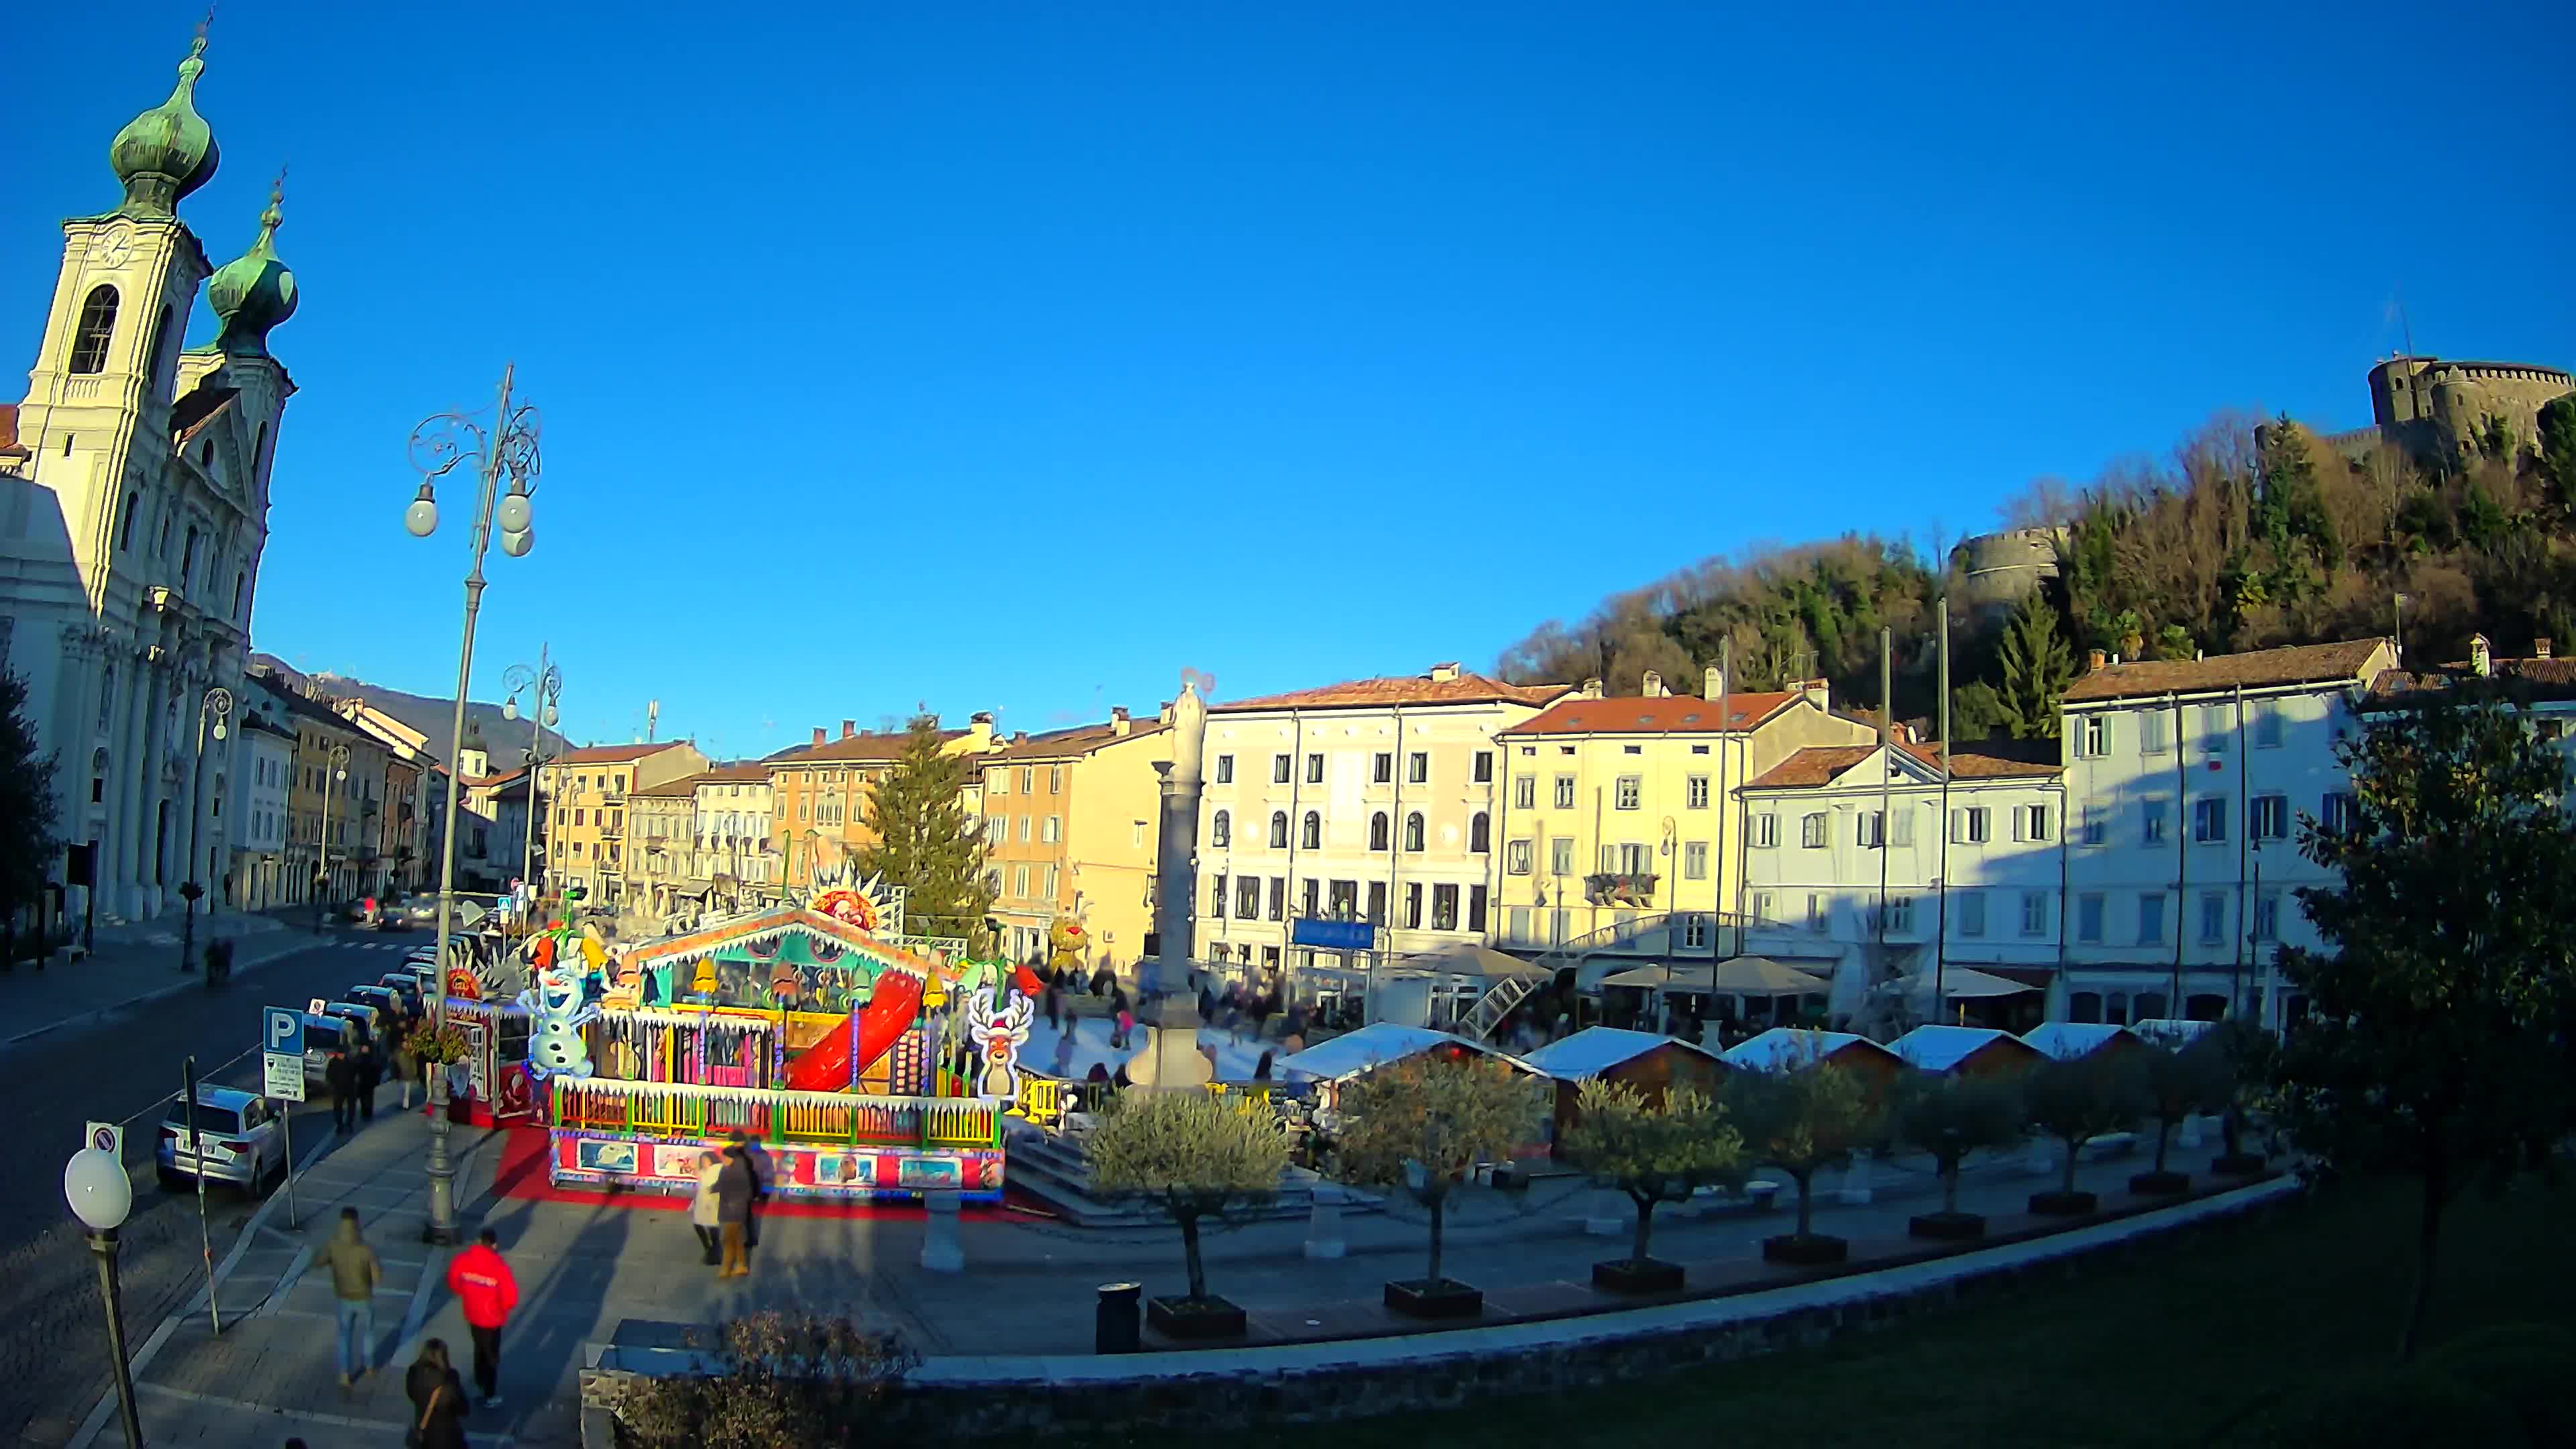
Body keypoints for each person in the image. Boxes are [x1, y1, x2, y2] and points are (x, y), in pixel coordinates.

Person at [445, 1228, 519, 1409]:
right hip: (492, 1319)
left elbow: (453, 1282)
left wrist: (468, 1294)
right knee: (492, 1357)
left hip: (473, 1313)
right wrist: (501, 1308)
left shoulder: (463, 1261)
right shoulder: (499, 1267)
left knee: (479, 1348)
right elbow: (511, 1298)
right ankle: (490, 1394)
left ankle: (478, 1382)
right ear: (494, 1245)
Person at [320, 1207, 380, 1387]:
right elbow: (377, 1278)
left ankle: (345, 1374)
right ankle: (369, 1366)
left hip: (344, 1298)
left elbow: (319, 1261)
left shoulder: (333, 1244)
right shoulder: (366, 1249)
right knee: (368, 1332)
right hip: (364, 1298)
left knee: (345, 1335)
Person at [405, 1338, 471, 1449]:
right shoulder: (450, 1378)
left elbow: (411, 1394)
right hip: (447, 1436)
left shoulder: (413, 1372)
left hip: (424, 1431)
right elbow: (463, 1409)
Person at [729, 1130, 774, 1252]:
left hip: (751, 1188)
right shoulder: (753, 1155)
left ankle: (747, 1238)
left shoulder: (757, 1155)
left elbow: (767, 1174)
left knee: (745, 1215)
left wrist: (765, 1191)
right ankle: (749, 1238)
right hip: (749, 1188)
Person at [714, 1146, 755, 1277]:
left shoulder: (739, 1172)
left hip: (735, 1211)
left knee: (728, 1240)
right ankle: (741, 1265)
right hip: (729, 1208)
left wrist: (736, 1203)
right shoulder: (726, 1169)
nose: (723, 1159)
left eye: (725, 1157)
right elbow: (720, 1185)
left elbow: (748, 1192)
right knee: (737, 1239)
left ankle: (726, 1269)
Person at [688, 1150, 724, 1266]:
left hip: (713, 1202)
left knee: (713, 1229)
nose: (704, 1163)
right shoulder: (704, 1171)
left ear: (712, 1159)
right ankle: (710, 1249)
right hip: (702, 1201)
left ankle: (714, 1254)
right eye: (702, 1161)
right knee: (698, 1225)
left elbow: (710, 1183)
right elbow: (701, 1183)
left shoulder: (718, 1168)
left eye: (706, 1160)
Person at [323, 1048, 356, 1134]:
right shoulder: (333, 1062)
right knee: (338, 1108)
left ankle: (349, 1124)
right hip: (338, 1088)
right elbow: (329, 1074)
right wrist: (332, 1085)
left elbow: (354, 1073)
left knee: (351, 1107)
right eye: (340, 1054)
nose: (341, 1056)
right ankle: (339, 1125)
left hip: (350, 1087)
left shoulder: (349, 1062)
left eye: (342, 1054)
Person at [354, 1039, 382, 1124]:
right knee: (364, 1098)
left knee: (369, 1098)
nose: (365, 1049)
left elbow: (377, 1070)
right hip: (362, 1081)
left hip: (369, 1081)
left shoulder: (371, 1058)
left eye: (366, 1048)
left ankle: (368, 1112)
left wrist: (377, 1080)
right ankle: (365, 1112)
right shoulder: (359, 1058)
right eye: (364, 1048)